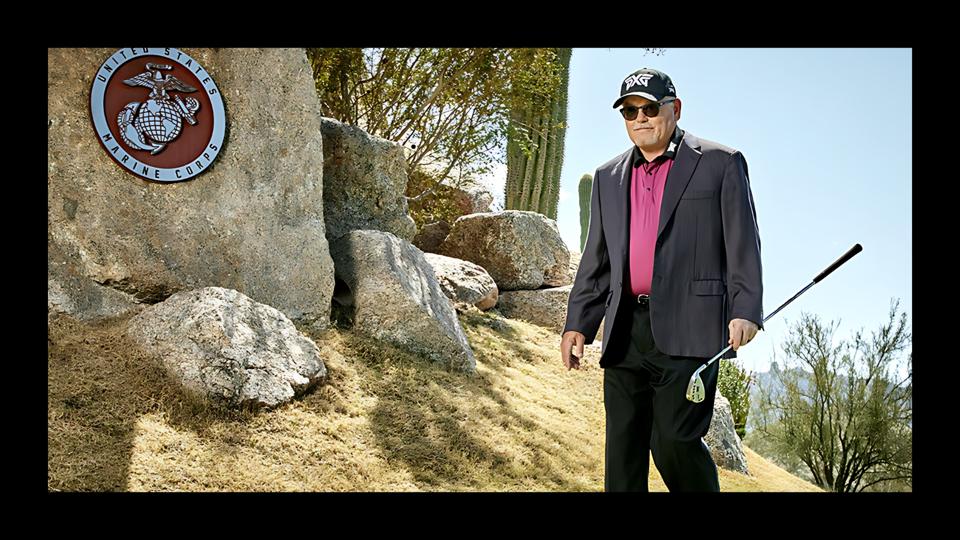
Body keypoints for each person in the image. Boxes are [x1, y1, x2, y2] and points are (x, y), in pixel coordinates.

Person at [560, 68, 763, 492]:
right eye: (630, 111)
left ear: (675, 109)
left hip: (692, 328)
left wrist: (745, 309)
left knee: (673, 440)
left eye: (649, 108)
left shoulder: (721, 164)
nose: (640, 118)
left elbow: (743, 241)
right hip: (624, 332)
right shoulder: (607, 177)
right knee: (622, 452)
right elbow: (596, 260)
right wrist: (578, 322)